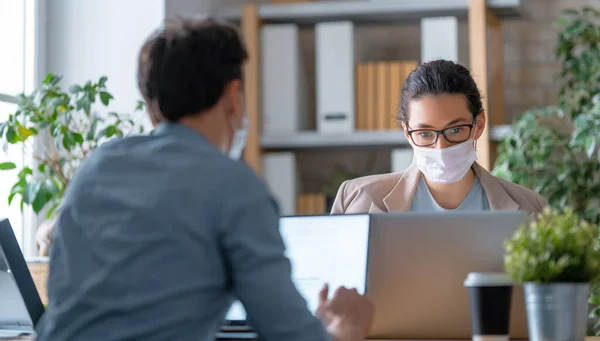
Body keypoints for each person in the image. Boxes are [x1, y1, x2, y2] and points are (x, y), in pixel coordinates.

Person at [36, 18, 373, 341]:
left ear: (153, 105)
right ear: (232, 95)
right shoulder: (234, 186)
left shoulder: (98, 165)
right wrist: (343, 329)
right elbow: (287, 331)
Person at [331, 60, 547, 215]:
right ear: (407, 132)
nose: (440, 147)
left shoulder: (531, 208)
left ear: (478, 125)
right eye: (425, 133)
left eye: (455, 130)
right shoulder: (356, 200)